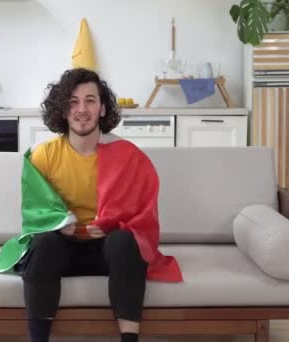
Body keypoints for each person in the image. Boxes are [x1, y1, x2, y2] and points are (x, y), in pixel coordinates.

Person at [19, 68, 181, 342]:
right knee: (43, 244)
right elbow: (34, 210)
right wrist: (58, 224)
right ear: (62, 109)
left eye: (90, 100)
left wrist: (112, 225)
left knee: (123, 242)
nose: (81, 109)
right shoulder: (42, 156)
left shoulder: (128, 155)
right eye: (73, 101)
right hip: (62, 250)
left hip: (109, 253)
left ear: (103, 109)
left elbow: (144, 213)